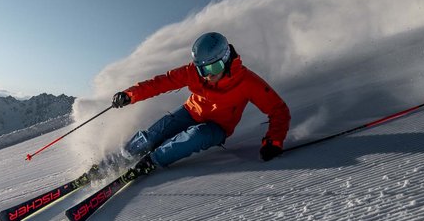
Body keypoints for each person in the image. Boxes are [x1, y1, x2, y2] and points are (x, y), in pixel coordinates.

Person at [109, 32, 291, 177]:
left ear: (226, 59)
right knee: (153, 136)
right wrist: (129, 95)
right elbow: (160, 83)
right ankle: (119, 158)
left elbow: (278, 110)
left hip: (218, 127)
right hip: (191, 111)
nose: (208, 76)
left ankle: (151, 162)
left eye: (213, 68)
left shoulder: (247, 82)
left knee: (195, 136)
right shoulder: (193, 72)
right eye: (202, 69)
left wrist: (273, 142)